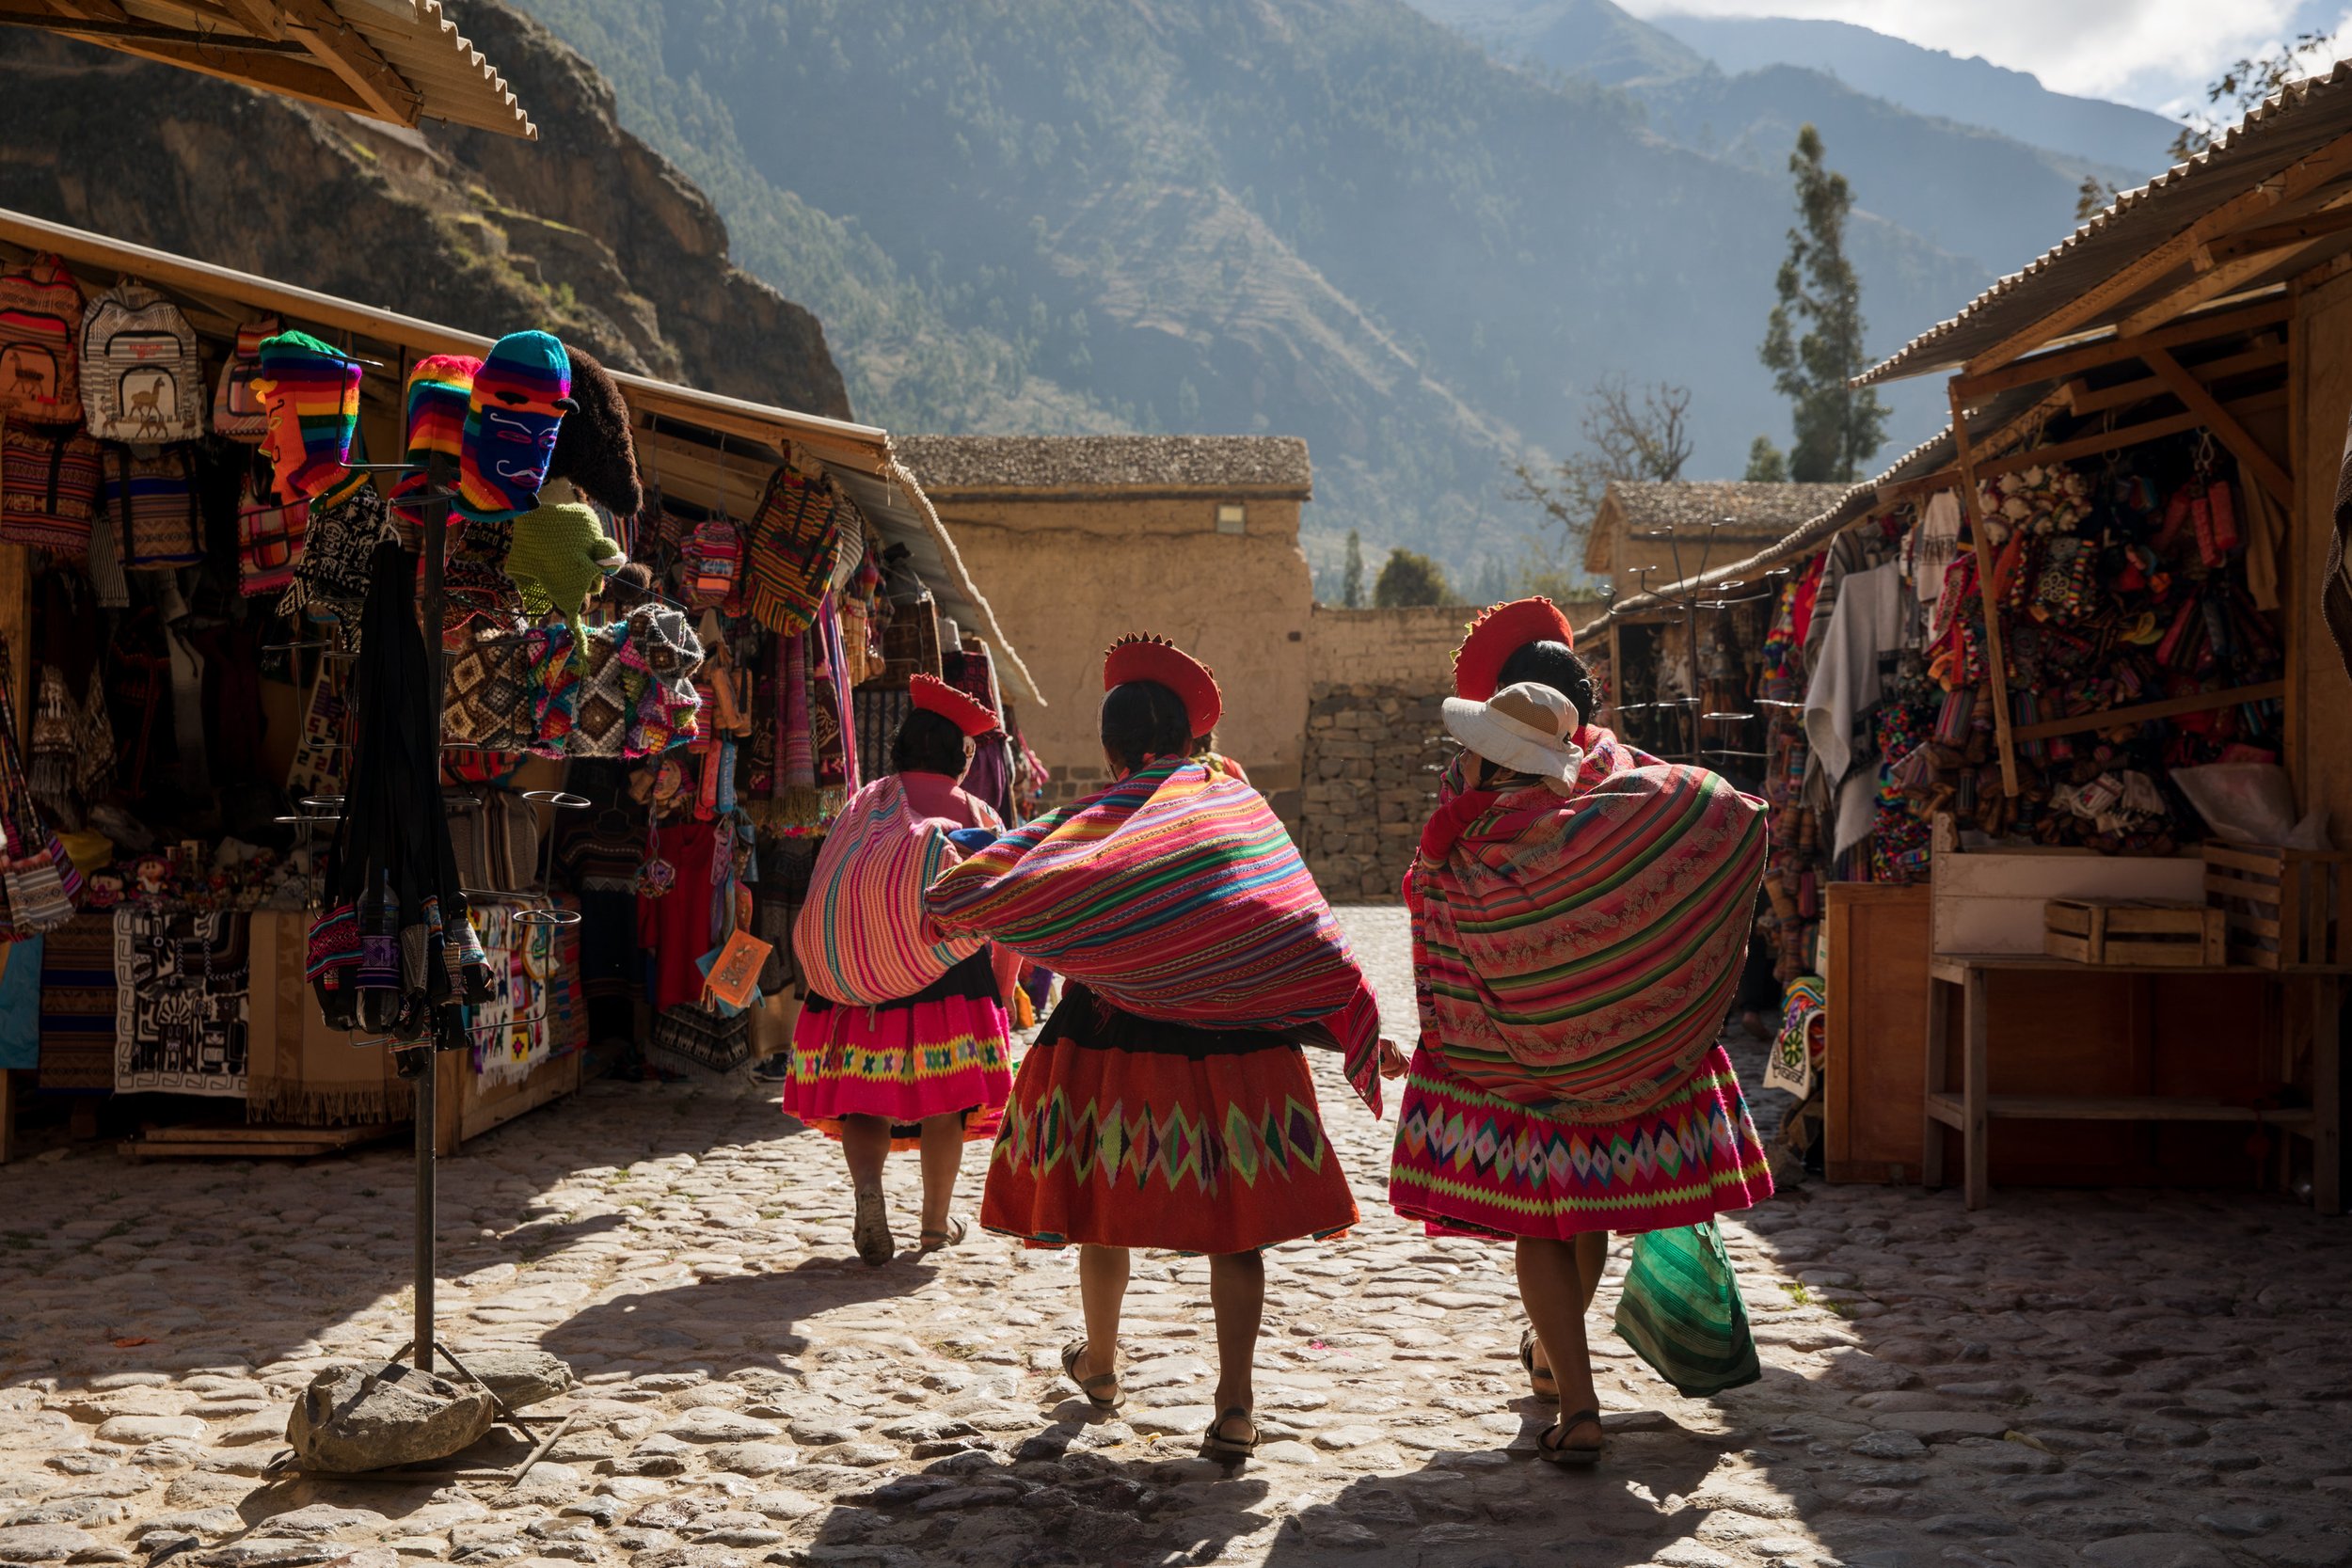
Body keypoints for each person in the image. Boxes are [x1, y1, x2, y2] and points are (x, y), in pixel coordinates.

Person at [926, 634, 1389, 1465]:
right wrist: (1349, 1008)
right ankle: (1235, 1404)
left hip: (1114, 1044)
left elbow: (1029, 873)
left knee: (1107, 1209)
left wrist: (958, 883)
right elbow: (1292, 906)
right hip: (1235, 1048)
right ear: (1192, 738)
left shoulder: (1100, 820)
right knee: (1236, 1228)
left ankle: (1100, 1368)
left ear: (1111, 750)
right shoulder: (1237, 805)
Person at [1390, 598, 1773, 1467]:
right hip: (1619, 1051)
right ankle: (1559, 1372)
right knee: (1586, 1205)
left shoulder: (1469, 809)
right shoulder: (1624, 782)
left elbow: (1433, 892)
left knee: (1541, 1225)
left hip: (1508, 1060)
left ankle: (1581, 1396)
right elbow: (1729, 815)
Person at [785, 673, 1017, 1265]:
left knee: (865, 1100)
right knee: (948, 1104)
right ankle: (935, 1227)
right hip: (949, 982)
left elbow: (830, 884)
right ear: (961, 760)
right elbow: (1005, 909)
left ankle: (869, 1194)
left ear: (901, 749)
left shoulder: (865, 807)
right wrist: (1006, 989)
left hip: (860, 984)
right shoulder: (978, 815)